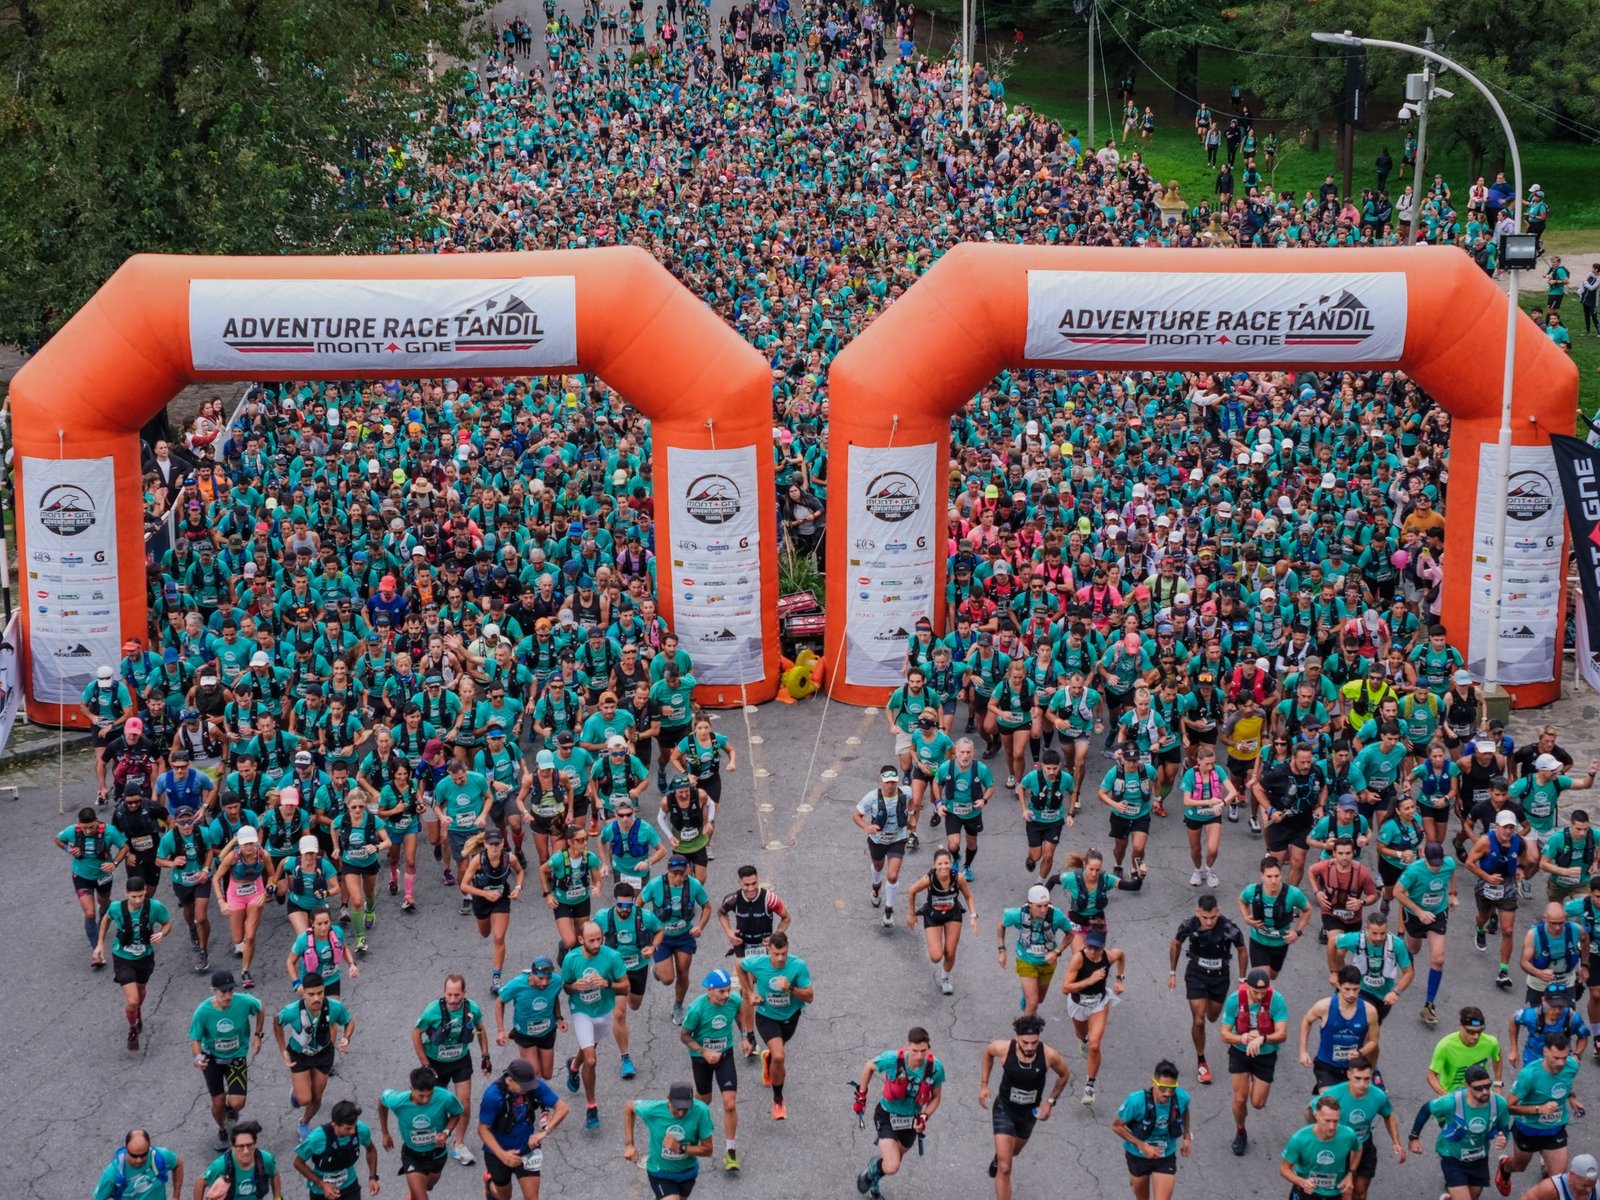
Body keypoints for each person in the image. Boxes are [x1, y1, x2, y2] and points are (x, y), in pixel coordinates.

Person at [979, 1015, 1072, 1200]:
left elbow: (1064, 1075)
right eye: (1025, 1042)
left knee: (1013, 1152)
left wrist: (1050, 1103)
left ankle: (999, 1156)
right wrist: (984, 1085)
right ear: (1016, 1037)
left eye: (1034, 1043)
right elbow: (988, 1054)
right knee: (1005, 1168)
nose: (1030, 1047)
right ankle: (1001, 1162)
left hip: (1029, 1114)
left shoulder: (1049, 1055)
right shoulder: (1004, 1049)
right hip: (1005, 1109)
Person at [853, 1027, 946, 1198]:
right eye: (915, 1051)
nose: (919, 1056)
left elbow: (936, 1098)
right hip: (887, 1115)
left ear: (929, 1047)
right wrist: (861, 1096)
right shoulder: (893, 1059)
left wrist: (925, 1117)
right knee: (892, 1166)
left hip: (911, 1121)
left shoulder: (936, 1068)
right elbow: (869, 1067)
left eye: (923, 1051)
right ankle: (874, 1169)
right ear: (907, 1046)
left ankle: (874, 1178)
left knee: (893, 1162)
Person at [411, 974, 490, 1165]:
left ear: (464, 993)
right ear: (443, 992)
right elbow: (416, 1033)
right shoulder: (432, 1011)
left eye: (457, 995)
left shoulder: (473, 1009)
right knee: (435, 1105)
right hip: (435, 1063)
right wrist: (424, 1063)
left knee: (464, 1103)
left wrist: (485, 1055)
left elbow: (480, 1029)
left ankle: (459, 1145)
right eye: (449, 995)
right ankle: (433, 1140)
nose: (453, 1000)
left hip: (461, 1061)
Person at [1170, 894, 1249, 1084]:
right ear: (1197, 912)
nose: (1209, 921)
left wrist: (1242, 979)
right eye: (1205, 917)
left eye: (1213, 917)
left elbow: (1242, 949)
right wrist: (1172, 972)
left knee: (1212, 1017)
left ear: (1218, 912)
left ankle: (1229, 1018)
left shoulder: (1230, 928)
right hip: (1196, 975)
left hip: (1220, 978)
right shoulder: (1189, 924)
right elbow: (1176, 943)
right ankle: (1201, 1061)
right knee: (1199, 1020)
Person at [559, 918, 630, 1129]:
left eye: (600, 939)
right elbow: (566, 986)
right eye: (592, 940)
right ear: (581, 940)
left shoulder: (612, 957)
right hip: (581, 1011)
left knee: (589, 1047)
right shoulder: (571, 959)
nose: (597, 944)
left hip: (603, 1010)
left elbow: (625, 985)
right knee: (591, 1060)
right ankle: (591, 1106)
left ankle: (573, 1065)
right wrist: (575, 986)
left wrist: (607, 983)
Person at [737, 931, 814, 1121]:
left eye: (784, 954)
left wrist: (790, 988)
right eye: (776, 954)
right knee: (780, 1055)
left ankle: (769, 1061)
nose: (780, 958)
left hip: (790, 1016)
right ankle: (778, 1100)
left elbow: (810, 997)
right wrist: (749, 992)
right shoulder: (759, 963)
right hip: (766, 1016)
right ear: (768, 950)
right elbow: (739, 964)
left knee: (776, 1056)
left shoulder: (798, 966)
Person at [1496, 1033, 1584, 1194]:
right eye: (1556, 1058)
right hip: (1529, 1129)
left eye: (1564, 1057)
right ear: (1545, 1051)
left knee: (1558, 1183)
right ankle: (1504, 1167)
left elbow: (1566, 1083)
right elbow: (1508, 1107)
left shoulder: (1572, 1066)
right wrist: (1539, 1109)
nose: (1561, 1063)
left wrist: (1572, 1098)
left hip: (1555, 1129)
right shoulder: (1529, 1075)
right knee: (1519, 1166)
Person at [594, 879, 663, 1082]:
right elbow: (591, 935)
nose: (625, 909)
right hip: (615, 971)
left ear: (634, 902)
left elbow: (660, 931)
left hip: (638, 968)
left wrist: (653, 947)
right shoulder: (602, 917)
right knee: (620, 1013)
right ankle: (625, 1058)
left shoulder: (645, 917)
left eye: (629, 905)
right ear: (614, 902)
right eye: (620, 905)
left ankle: (651, 976)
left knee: (635, 1005)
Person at [1408, 1063, 1510, 1200]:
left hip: (1479, 1158)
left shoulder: (1499, 1103)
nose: (1485, 1091)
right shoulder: (1451, 1101)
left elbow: (1504, 1128)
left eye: (1487, 1086)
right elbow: (1426, 1109)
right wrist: (1414, 1137)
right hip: (1452, 1156)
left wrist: (1503, 1138)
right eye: (1478, 1088)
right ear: (1468, 1087)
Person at [189, 969, 265, 1148]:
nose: (228, 995)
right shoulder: (203, 1011)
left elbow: (260, 1008)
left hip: (236, 1057)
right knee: (217, 1102)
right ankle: (223, 1128)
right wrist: (198, 1057)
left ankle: (230, 1112)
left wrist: (258, 1035)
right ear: (214, 991)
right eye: (223, 992)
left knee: (238, 1102)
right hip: (212, 1058)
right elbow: (195, 1039)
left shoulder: (244, 1002)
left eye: (231, 990)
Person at [679, 968, 745, 1171]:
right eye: (721, 992)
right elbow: (685, 1036)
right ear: (709, 989)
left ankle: (730, 1151)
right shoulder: (697, 1009)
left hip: (725, 1056)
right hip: (701, 1060)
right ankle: (686, 1124)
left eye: (728, 990)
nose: (726, 995)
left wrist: (745, 1036)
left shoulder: (733, 1000)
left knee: (730, 1104)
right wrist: (704, 1052)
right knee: (704, 1101)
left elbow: (740, 1014)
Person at [1219, 966, 1290, 1156]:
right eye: (1255, 992)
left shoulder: (1277, 1000)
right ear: (1247, 987)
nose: (1259, 997)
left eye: (1263, 992)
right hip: (1241, 1052)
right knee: (1240, 1098)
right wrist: (1244, 1039)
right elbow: (1224, 1034)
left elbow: (1282, 1034)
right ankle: (1240, 1131)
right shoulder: (1235, 1000)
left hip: (1265, 1053)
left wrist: (1262, 1039)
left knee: (1257, 1103)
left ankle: (1254, 1080)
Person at [274, 972, 354, 1138]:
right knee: (304, 1099)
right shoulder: (292, 1011)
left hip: (323, 1054)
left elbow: (349, 1021)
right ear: (303, 992)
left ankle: (304, 1122)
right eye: (311, 994)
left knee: (317, 1096)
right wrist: (283, 1049)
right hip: (299, 1055)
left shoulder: (334, 1007)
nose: (316, 998)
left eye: (320, 993)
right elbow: (277, 1022)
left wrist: (346, 1037)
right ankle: (297, 1093)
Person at [98, 874, 173, 1051]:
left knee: (140, 992)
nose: (138, 900)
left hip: (144, 957)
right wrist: (100, 944)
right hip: (122, 957)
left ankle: (137, 1011)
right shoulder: (117, 907)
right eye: (134, 896)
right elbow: (106, 919)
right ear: (126, 894)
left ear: (145, 892)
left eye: (141, 895)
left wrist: (162, 933)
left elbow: (167, 923)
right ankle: (133, 1028)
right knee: (131, 1000)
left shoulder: (154, 907)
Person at [1314, 1056, 1405, 1200]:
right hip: (1340, 1149)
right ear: (1349, 1075)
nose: (1362, 1084)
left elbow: (1388, 1115)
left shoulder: (1378, 1096)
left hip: (1364, 1146)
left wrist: (1396, 1142)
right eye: (1357, 1078)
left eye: (1366, 1079)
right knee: (1343, 1193)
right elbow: (1312, 1111)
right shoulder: (1333, 1095)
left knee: (1360, 1194)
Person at [477, 1058, 567, 1200]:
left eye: (529, 1086)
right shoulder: (492, 1096)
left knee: (532, 1198)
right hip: (498, 1154)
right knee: (503, 1197)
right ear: (510, 1079)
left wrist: (544, 1132)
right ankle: (490, 1184)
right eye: (523, 1086)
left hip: (527, 1149)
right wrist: (502, 1155)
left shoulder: (533, 1086)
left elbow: (563, 1108)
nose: (527, 1090)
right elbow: (483, 1130)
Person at [643, 855, 713, 1023]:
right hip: (662, 937)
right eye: (675, 873)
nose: (679, 878)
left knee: (683, 971)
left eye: (682, 873)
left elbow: (707, 907)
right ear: (668, 871)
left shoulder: (694, 885)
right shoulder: (654, 885)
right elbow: (638, 906)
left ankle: (678, 1005)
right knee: (667, 979)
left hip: (684, 936)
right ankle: (658, 970)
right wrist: (647, 929)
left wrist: (700, 927)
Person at [379, 1066, 466, 1200]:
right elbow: (382, 1100)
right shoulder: (398, 1101)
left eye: (429, 1095)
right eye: (421, 1095)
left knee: (425, 1189)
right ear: (411, 1088)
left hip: (437, 1156)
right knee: (421, 1197)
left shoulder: (445, 1097)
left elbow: (456, 1114)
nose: (425, 1100)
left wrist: (445, 1132)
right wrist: (385, 1133)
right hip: (412, 1156)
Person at [58, 804, 130, 967]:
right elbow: (58, 839)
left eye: (91, 827)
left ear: (97, 822)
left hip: (103, 876)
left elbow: (125, 847)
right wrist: (69, 848)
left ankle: (107, 914)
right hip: (81, 875)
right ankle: (97, 952)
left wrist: (114, 863)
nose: (88, 831)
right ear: (79, 824)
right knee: (90, 914)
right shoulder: (72, 831)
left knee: (104, 903)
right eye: (84, 828)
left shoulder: (109, 831)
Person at [1060, 929, 1125, 1105]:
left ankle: (1089, 1087)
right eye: (1089, 947)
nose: (1093, 951)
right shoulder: (1078, 959)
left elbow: (1121, 955)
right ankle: (1082, 1041)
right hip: (1078, 1004)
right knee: (1083, 1037)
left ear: (1103, 947)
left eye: (1097, 948)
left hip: (1099, 1003)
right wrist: (1090, 980)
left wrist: (1119, 979)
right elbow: (1065, 988)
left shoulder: (1109, 956)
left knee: (1095, 1045)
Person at [1399, 841, 1462, 1024]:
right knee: (1414, 949)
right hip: (1414, 915)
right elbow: (1398, 892)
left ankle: (1429, 1004)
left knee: (1438, 959)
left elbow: (1452, 873)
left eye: (1438, 864)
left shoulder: (1448, 863)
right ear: (1424, 858)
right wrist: (1419, 912)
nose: (1436, 868)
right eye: (1432, 864)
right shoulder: (1413, 871)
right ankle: (1404, 956)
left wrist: (1452, 894)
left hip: (1438, 913)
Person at [1111, 1060, 1191, 1200]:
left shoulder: (1181, 1097)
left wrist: (1187, 1135)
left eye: (1171, 1089)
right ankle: (1136, 1182)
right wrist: (1142, 1146)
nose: (1167, 1093)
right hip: (1138, 1155)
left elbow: (1184, 1110)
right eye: (1162, 1088)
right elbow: (1116, 1126)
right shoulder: (1136, 1101)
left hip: (1165, 1155)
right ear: (1153, 1083)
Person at [623, 1081, 714, 1200]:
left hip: (688, 1172)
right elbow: (629, 1107)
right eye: (677, 1108)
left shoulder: (701, 1111)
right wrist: (629, 1145)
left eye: (685, 1108)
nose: (681, 1113)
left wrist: (680, 1148)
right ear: (669, 1099)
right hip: (660, 1172)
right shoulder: (653, 1109)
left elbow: (708, 1150)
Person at [904, 846, 978, 994]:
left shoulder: (958, 878)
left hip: (953, 914)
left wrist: (973, 916)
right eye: (940, 864)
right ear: (934, 865)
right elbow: (912, 891)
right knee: (936, 956)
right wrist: (911, 914)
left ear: (951, 864)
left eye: (946, 863)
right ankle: (934, 941)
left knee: (950, 952)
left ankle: (945, 978)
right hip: (933, 916)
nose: (943, 867)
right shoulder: (929, 879)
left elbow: (968, 896)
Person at [460, 830, 525, 995]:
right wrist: (485, 894)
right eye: (491, 844)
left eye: (497, 844)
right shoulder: (478, 861)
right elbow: (464, 885)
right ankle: (484, 920)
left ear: (502, 843)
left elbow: (520, 871)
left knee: (498, 937)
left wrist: (517, 887)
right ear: (486, 845)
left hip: (501, 900)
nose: (495, 847)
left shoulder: (509, 858)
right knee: (485, 933)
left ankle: (496, 979)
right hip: (482, 900)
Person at [1335, 910, 1416, 1041]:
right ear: (1367, 929)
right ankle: (1347, 1051)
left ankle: (1361, 1055)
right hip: (1361, 990)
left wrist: (1396, 992)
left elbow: (1409, 972)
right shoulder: (1356, 939)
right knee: (1360, 1022)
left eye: (1382, 933)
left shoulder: (1397, 944)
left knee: (1371, 1033)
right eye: (1374, 933)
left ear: (1387, 929)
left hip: (1384, 996)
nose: (1379, 938)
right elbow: (1333, 943)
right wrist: (1338, 972)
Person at [1469, 809, 1528, 989]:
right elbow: (1469, 863)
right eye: (1505, 827)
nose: (1508, 831)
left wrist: (1520, 869)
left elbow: (1523, 859)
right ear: (1497, 826)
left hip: (1507, 885)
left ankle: (1503, 971)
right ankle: (1480, 929)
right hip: (1486, 883)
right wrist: (1487, 878)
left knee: (1508, 930)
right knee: (1483, 917)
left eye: (1511, 827)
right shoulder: (1485, 841)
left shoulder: (1519, 842)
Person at [1298, 965, 1381, 1092]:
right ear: (1339, 985)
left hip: (1354, 1068)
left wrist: (1360, 1053)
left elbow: (1374, 1041)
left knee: (1349, 1107)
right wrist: (1303, 1051)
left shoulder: (1369, 1011)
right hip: (1327, 1066)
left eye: (1356, 989)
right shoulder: (1324, 1006)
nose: (1351, 994)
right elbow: (1306, 1021)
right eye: (1347, 989)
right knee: (1330, 1103)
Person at [998, 883, 1075, 1018]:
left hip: (1047, 963)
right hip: (1025, 960)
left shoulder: (1056, 916)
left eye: (1046, 905)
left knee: (1039, 1000)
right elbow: (1001, 924)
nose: (1044, 909)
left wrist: (1057, 952)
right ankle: (1024, 1034)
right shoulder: (1018, 914)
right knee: (1033, 1003)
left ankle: (1027, 996)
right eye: (1039, 906)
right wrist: (1002, 950)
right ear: (1030, 904)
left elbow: (1070, 934)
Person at [156, 804, 216, 972]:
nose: (187, 826)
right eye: (182, 823)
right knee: (189, 912)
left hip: (202, 879)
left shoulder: (202, 833)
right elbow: (158, 860)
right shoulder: (168, 839)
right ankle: (192, 929)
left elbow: (210, 850)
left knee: (201, 917)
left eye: (189, 821)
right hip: (181, 882)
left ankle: (203, 952)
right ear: (175, 822)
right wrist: (172, 863)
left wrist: (205, 869)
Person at [212, 825, 270, 988]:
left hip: (255, 893)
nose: (249, 848)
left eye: (251, 843)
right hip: (235, 895)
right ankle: (244, 943)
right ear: (239, 844)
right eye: (245, 844)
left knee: (250, 936)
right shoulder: (232, 857)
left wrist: (266, 893)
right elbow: (216, 878)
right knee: (239, 939)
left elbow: (272, 876)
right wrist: (221, 901)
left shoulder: (263, 855)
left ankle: (245, 971)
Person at [856, 766, 913, 926]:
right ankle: (875, 886)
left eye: (893, 782)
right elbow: (856, 815)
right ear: (881, 781)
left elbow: (914, 802)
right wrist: (867, 827)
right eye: (887, 782)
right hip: (877, 840)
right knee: (878, 866)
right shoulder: (871, 797)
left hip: (898, 839)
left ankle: (888, 910)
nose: (891, 785)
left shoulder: (906, 792)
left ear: (898, 781)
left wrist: (913, 816)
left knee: (893, 875)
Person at [1238, 856, 1312, 978]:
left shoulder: (1293, 893)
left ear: (1281, 875)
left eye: (1276, 876)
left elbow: (1307, 909)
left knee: (1272, 976)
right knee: (1262, 978)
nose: (1273, 880)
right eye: (1269, 876)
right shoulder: (1252, 890)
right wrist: (1246, 917)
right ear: (1261, 875)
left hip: (1280, 943)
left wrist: (1297, 932)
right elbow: (1242, 900)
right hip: (1258, 941)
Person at [932, 735, 994, 878]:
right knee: (953, 844)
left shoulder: (981, 769)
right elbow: (936, 783)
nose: (965, 756)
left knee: (971, 844)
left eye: (968, 753)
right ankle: (955, 858)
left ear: (973, 753)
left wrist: (984, 800)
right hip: (953, 811)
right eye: (962, 752)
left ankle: (967, 866)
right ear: (956, 753)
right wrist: (939, 802)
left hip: (973, 813)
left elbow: (990, 787)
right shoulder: (947, 767)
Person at [291, 1099, 378, 1200]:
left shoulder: (361, 1130)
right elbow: (298, 1163)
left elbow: (371, 1149)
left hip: (350, 1187)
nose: (353, 1131)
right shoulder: (317, 1138)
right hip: (322, 1192)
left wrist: (372, 1177)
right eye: (348, 1128)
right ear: (334, 1125)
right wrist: (321, 1184)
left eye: (354, 1126)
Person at [539, 822, 603, 958]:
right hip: (562, 902)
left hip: (582, 901)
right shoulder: (559, 859)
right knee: (570, 941)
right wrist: (548, 894)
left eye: (586, 839)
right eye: (580, 840)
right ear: (570, 842)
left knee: (580, 941)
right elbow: (542, 871)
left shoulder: (590, 857)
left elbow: (597, 879)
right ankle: (563, 948)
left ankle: (574, 964)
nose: (584, 843)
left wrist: (597, 888)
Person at [1281, 1095, 1363, 1200]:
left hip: (1335, 1194)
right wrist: (1302, 1182)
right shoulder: (1299, 1139)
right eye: (1327, 1121)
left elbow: (1358, 1149)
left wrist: (1350, 1174)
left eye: (1335, 1121)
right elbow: (1284, 1169)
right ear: (1316, 1116)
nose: (1332, 1127)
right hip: (1307, 1193)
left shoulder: (1348, 1135)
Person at [1180, 743, 1234, 887]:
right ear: (1198, 761)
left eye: (1213, 763)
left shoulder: (1218, 771)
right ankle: (1197, 871)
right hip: (1194, 815)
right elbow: (1186, 801)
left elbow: (1233, 792)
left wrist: (1222, 803)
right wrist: (1209, 801)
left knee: (1213, 848)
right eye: (1207, 764)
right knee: (1196, 849)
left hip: (1212, 815)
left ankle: (1209, 870)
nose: (1210, 767)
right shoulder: (1190, 774)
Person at [1017, 748, 1073, 881]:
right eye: (1048, 768)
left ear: (1059, 766)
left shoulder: (1066, 778)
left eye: (1055, 768)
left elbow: (1073, 792)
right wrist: (1024, 809)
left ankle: (1039, 883)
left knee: (1048, 855)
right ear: (1042, 766)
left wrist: (1070, 814)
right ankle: (1031, 856)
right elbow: (1020, 787)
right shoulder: (1033, 776)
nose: (1051, 772)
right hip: (1035, 820)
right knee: (1036, 856)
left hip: (1055, 821)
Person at [1522, 902, 1590, 1007]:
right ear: (1544, 918)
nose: (1557, 927)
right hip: (1540, 984)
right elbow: (1524, 962)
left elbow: (1585, 940)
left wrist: (1584, 965)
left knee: (1567, 1018)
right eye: (1553, 923)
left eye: (1561, 923)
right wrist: (1538, 973)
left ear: (1566, 919)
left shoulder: (1576, 929)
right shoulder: (1533, 935)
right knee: (1539, 1019)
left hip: (1566, 981)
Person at [716, 863, 790, 960]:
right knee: (743, 972)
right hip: (742, 946)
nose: (751, 888)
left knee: (764, 974)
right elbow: (721, 912)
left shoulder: (769, 898)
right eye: (746, 885)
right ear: (739, 882)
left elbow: (786, 918)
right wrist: (728, 931)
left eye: (754, 883)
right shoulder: (733, 898)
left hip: (765, 947)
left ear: (758, 880)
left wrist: (775, 936)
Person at [1509, 987, 1591, 1069]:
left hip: (1559, 1062)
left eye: (1561, 1006)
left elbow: (1583, 1036)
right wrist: (1514, 1050)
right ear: (1544, 1001)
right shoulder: (1532, 1016)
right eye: (1553, 1006)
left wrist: (1577, 1055)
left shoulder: (1573, 1018)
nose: (1557, 1011)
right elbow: (1513, 1019)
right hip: (1534, 1060)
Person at [1430, 1007, 1505, 1094]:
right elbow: (1431, 1075)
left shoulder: (1491, 1042)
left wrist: (1497, 1084)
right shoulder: (1445, 1046)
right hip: (1453, 1094)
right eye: (1471, 1032)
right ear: (1461, 1027)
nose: (1476, 1036)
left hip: (1480, 1093)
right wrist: (1447, 1097)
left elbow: (1497, 1056)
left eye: (1480, 1031)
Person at [198, 1121, 279, 1200]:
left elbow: (274, 1173)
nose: (246, 1151)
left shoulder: (265, 1159)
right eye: (241, 1146)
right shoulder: (221, 1165)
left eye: (249, 1145)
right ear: (232, 1147)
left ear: (255, 1144)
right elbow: (200, 1183)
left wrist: (277, 1197)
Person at [93, 1130, 183, 1200]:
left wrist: (176, 1196)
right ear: (126, 1149)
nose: (139, 1160)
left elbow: (178, 1165)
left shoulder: (160, 1156)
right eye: (134, 1156)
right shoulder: (113, 1173)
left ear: (149, 1148)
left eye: (143, 1155)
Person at [1512, 1152, 1600, 1199]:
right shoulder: (1550, 1188)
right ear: (1572, 1175)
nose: (1589, 1189)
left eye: (1592, 1184)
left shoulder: (1597, 1189)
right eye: (1584, 1185)